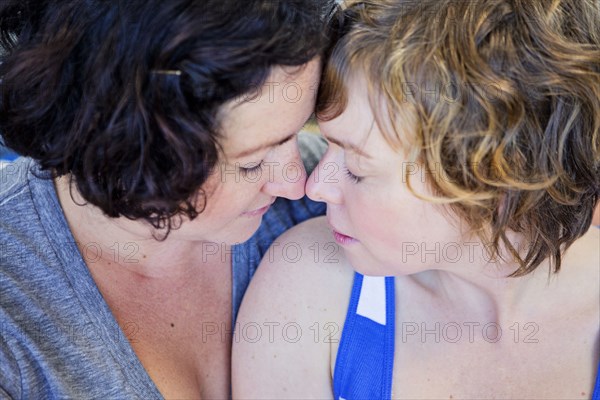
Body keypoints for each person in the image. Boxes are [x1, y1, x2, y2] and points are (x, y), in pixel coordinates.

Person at [232, 0, 600, 399]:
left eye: (357, 168)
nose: (314, 187)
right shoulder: (308, 289)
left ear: (499, 186)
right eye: (325, 146)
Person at [0, 0, 337, 398]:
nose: (298, 183)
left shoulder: (333, 201)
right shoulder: (14, 321)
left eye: (297, 133)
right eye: (252, 163)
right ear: (125, 147)